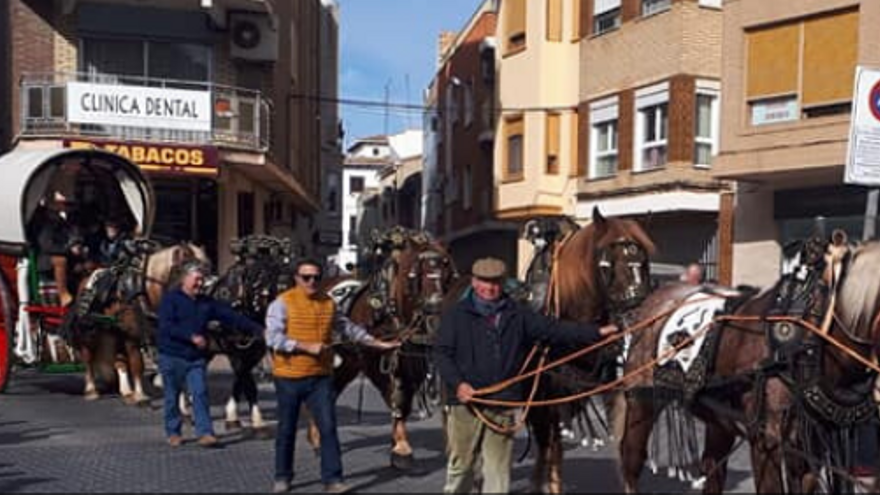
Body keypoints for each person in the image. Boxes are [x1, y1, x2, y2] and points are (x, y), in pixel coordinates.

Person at [435, 257, 619, 494]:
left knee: (498, 470)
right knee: (462, 467)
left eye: (495, 283)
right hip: (465, 403)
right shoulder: (457, 315)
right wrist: (458, 384)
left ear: (502, 283)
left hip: (501, 401)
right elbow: (442, 353)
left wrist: (597, 332)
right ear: (474, 282)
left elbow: (555, 330)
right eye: (484, 282)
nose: (489, 288)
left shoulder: (517, 314)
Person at [266, 258, 400, 494]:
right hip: (289, 376)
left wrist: (376, 342)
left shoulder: (328, 303)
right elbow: (273, 338)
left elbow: (347, 327)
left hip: (320, 376)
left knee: (328, 428)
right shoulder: (282, 303)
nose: (312, 282)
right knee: (286, 429)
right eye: (306, 277)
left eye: (316, 277)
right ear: (296, 278)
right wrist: (305, 346)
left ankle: (333, 479)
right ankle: (282, 476)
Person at [157, 259, 264, 449]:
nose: (200, 284)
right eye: (197, 279)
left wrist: (259, 330)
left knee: (200, 393)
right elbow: (166, 327)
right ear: (185, 279)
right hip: (172, 356)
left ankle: (205, 433)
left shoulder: (206, 303)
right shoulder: (170, 299)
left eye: (202, 280)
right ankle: (173, 432)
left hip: (195, 357)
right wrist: (190, 337)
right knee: (172, 397)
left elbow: (231, 316)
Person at [32, 191, 81, 307]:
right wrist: (68, 250)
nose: (64, 207)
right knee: (60, 260)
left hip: (64, 254)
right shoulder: (43, 222)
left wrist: (76, 244)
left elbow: (71, 236)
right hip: (45, 257)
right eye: (62, 204)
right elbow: (46, 244)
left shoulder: (62, 221)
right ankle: (63, 294)